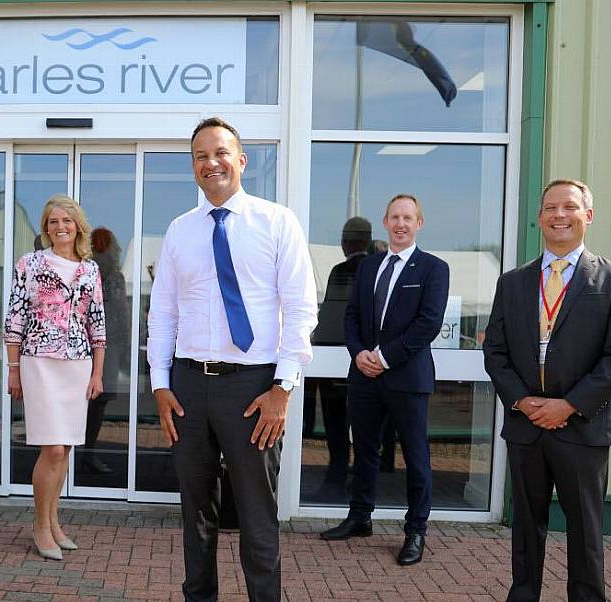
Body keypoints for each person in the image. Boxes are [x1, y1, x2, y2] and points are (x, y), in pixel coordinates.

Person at [148, 117, 317, 601]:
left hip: (254, 389)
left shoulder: (276, 221)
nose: (211, 162)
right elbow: (162, 315)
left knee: (257, 516)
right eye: (201, 156)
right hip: (187, 388)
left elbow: (302, 310)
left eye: (220, 152)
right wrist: (161, 385)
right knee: (195, 513)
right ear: (193, 167)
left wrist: (282, 390)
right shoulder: (180, 231)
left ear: (241, 160)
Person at [483, 180, 611, 602]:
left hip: (583, 429)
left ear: (587, 216)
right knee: (525, 529)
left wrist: (568, 405)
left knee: (585, 532)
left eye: (569, 207)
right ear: (539, 219)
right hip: (526, 425)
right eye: (550, 207)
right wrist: (521, 400)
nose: (559, 215)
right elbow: (495, 351)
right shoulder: (512, 283)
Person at [321, 194, 449, 568]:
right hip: (363, 377)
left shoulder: (433, 268)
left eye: (408, 218)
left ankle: (416, 530)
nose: (401, 224)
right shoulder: (369, 266)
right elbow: (351, 315)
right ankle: (360, 517)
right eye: (395, 217)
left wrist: (384, 357)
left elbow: (428, 323)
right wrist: (359, 352)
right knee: (364, 449)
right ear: (385, 222)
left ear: (419, 223)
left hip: (406, 377)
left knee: (415, 455)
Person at [5, 194, 106, 561]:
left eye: (66, 220)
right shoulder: (29, 264)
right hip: (39, 362)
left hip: (77, 363)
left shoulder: (90, 270)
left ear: (78, 225)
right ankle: (40, 525)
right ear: (45, 229)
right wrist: (13, 369)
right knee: (51, 448)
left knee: (64, 448)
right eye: (52, 221)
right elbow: (14, 319)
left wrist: (97, 372)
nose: (60, 226)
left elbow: (97, 324)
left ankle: (53, 521)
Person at [306, 216, 371, 500]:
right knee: (366, 427)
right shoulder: (375, 268)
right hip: (367, 363)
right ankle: (360, 484)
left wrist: (316, 343)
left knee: (336, 427)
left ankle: (335, 478)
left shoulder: (341, 271)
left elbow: (333, 316)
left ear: (345, 243)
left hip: (336, 360)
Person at [83, 227, 128, 475]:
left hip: (85, 344)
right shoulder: (111, 273)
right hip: (107, 346)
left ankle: (79, 455)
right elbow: (120, 314)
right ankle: (88, 453)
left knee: (82, 403)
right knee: (97, 404)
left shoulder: (86, 268)